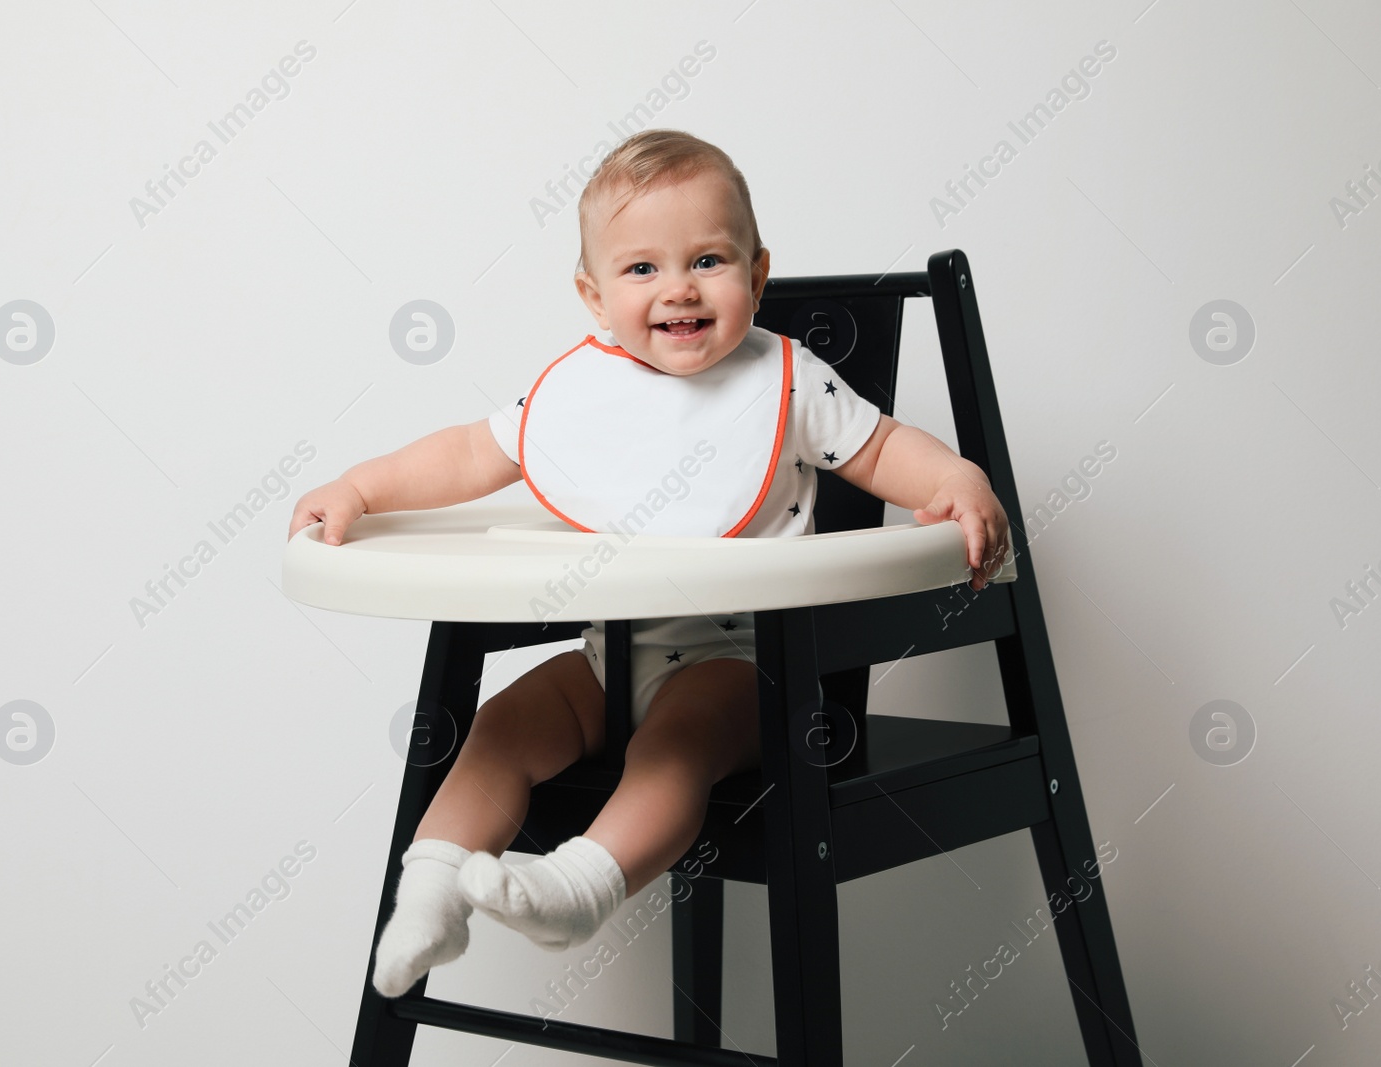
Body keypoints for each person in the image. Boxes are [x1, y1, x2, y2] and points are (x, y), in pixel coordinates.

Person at [287, 129, 1011, 997]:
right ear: (593, 296)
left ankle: (580, 884)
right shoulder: (580, 393)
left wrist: (958, 479)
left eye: (708, 258)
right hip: (607, 657)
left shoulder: (787, 380)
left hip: (747, 670)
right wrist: (360, 488)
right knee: (502, 726)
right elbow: (466, 454)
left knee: (673, 746)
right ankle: (434, 888)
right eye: (641, 270)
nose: (678, 289)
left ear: (757, 273)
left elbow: (885, 446)